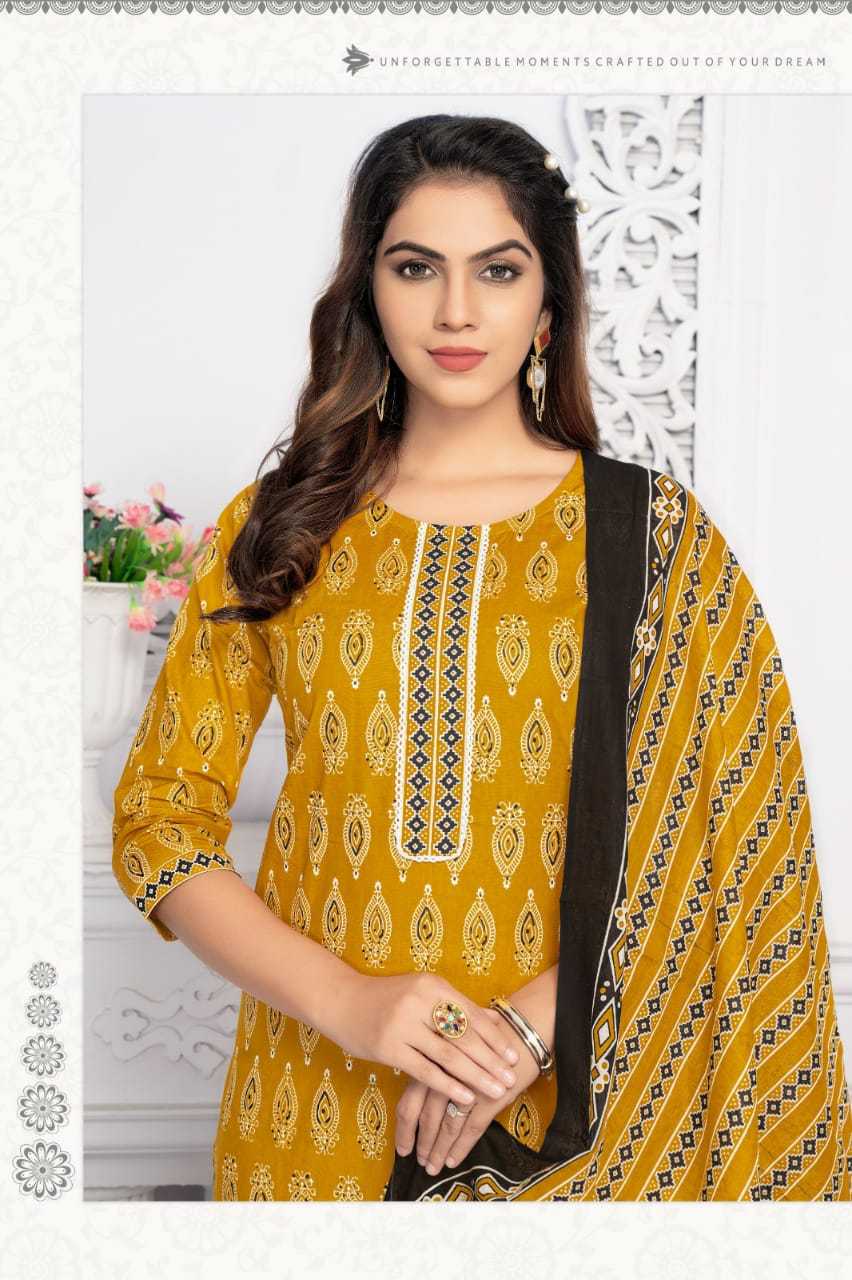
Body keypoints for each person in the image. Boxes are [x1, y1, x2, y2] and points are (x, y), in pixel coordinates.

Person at [111, 113, 852, 1202]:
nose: (456, 310)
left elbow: (727, 843)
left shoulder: (655, 540)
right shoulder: (280, 526)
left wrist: (524, 1030)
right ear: (369, 292)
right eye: (416, 267)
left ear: (549, 304)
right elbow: (158, 822)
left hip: (576, 1107)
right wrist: (353, 1004)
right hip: (310, 1111)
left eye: (497, 270)